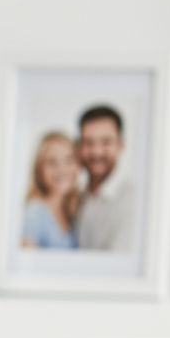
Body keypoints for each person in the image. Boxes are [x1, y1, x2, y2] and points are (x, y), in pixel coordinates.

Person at [74, 104, 135, 252]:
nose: (96, 151)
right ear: (79, 146)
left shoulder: (132, 201)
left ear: (120, 144)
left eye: (106, 142)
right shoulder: (77, 198)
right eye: (89, 142)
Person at [21, 132, 80, 249]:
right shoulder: (35, 212)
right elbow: (26, 263)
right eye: (52, 163)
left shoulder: (72, 212)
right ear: (39, 170)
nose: (62, 170)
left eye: (68, 160)